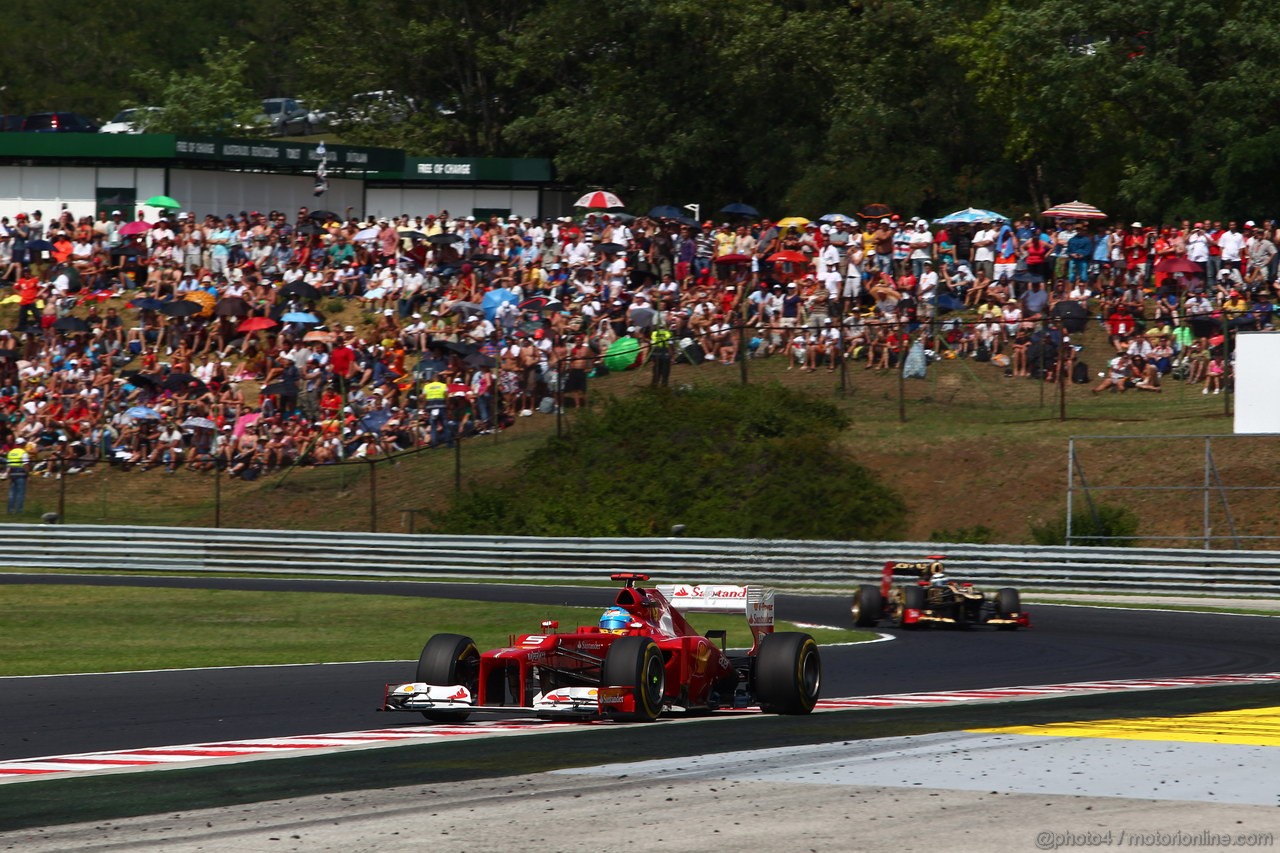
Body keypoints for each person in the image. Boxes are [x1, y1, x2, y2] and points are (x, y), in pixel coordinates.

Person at [6, 441, 30, 514]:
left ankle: (10, 510)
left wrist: (7, 474)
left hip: (13, 474)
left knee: (12, 493)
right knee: (20, 493)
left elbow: (9, 466)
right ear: (22, 444)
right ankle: (19, 510)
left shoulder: (11, 452)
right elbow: (25, 465)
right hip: (21, 474)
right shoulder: (23, 453)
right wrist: (28, 474)